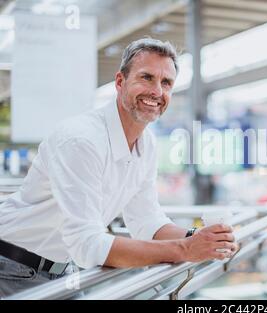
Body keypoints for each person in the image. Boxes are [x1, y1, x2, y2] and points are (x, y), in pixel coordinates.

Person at [0, 38, 238, 298]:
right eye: (146, 77)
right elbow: (87, 245)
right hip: (10, 267)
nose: (157, 91)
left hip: (61, 270)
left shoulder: (146, 142)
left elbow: (147, 221)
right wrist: (185, 249)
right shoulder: (82, 140)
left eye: (166, 83)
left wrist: (203, 239)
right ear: (120, 82)